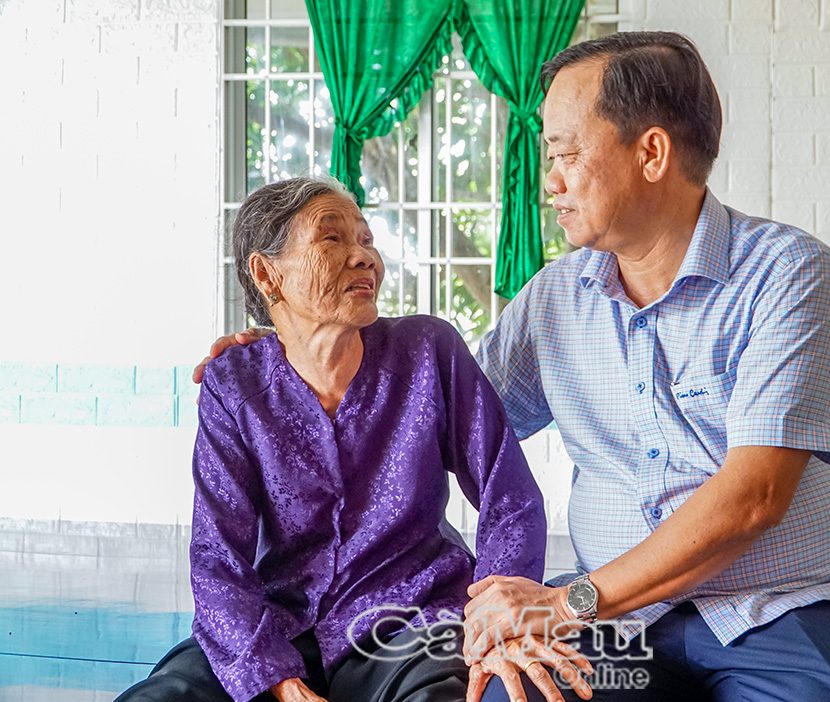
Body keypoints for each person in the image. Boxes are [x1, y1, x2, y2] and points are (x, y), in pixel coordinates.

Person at [198, 32, 830, 702]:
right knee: (501, 690)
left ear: (651, 152)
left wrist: (567, 603)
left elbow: (754, 498)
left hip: (778, 610)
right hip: (622, 626)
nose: (550, 180)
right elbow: (426, 408)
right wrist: (292, 350)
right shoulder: (556, 300)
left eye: (565, 152)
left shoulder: (789, 275)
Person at [117, 177, 567, 702]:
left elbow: (508, 497)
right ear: (267, 274)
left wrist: (499, 613)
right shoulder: (233, 382)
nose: (364, 257)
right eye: (332, 239)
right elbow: (218, 557)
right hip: (280, 622)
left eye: (367, 240)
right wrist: (278, 682)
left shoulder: (428, 351)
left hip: (410, 620)